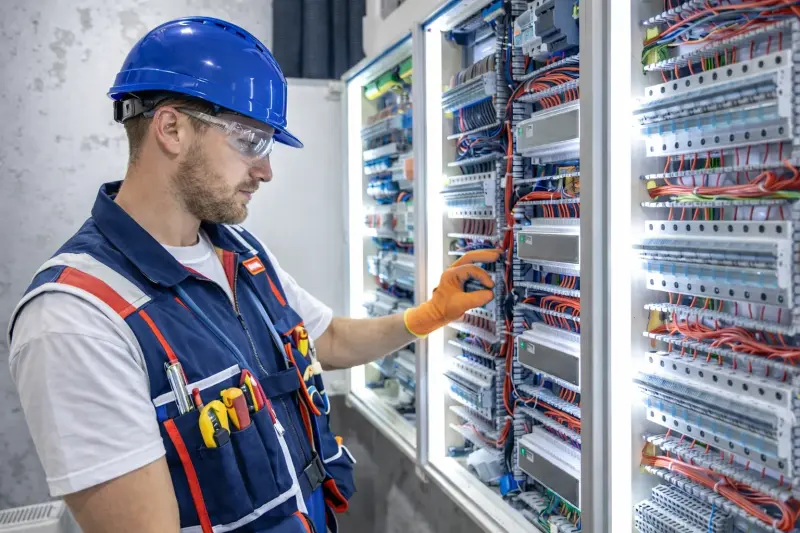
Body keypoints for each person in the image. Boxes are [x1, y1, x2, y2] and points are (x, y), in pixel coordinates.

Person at [7, 16, 498, 533]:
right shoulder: (77, 315)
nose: (266, 171)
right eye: (251, 141)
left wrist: (428, 315)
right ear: (171, 128)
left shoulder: (238, 251)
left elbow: (325, 338)